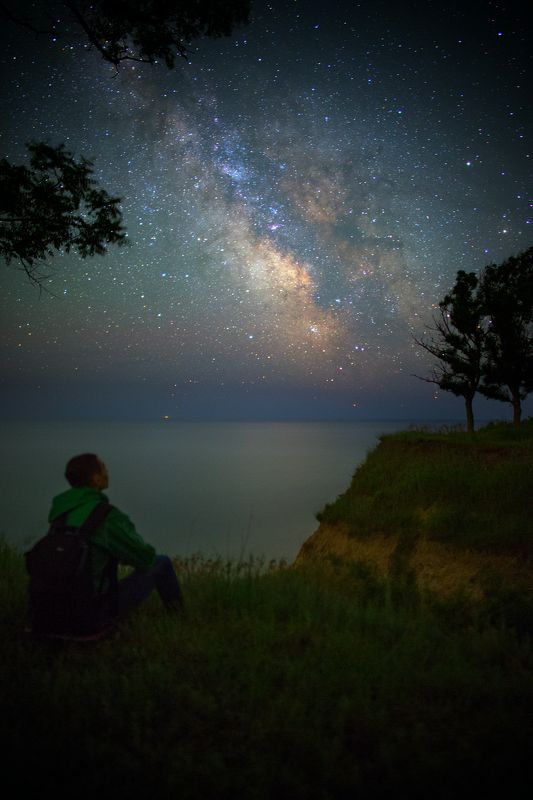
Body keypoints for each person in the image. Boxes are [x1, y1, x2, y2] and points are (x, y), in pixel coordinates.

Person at [47, 452, 183, 633]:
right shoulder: (105, 516)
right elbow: (145, 558)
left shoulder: (59, 514)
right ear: (96, 479)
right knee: (161, 562)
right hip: (92, 614)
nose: (107, 473)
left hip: (52, 611)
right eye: (104, 469)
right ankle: (180, 620)